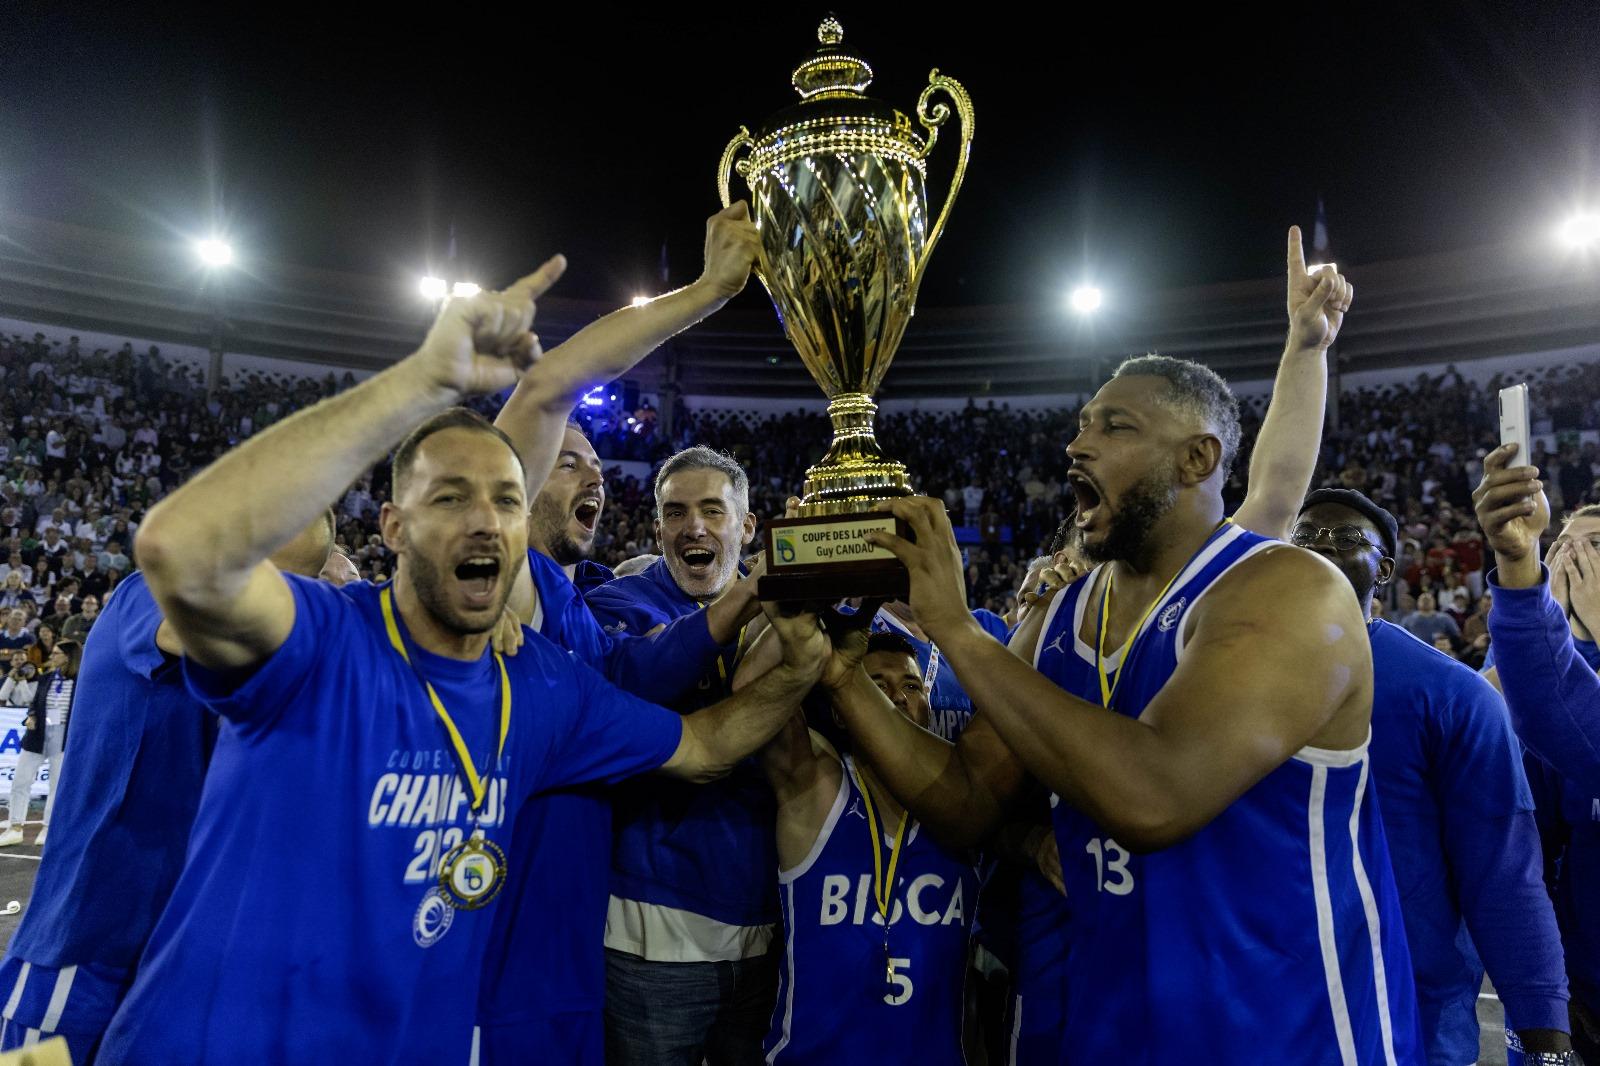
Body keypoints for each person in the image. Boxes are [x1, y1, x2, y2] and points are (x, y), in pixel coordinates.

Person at [96, 262, 827, 1064]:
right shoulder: (323, 640)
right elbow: (183, 552)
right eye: (449, 498)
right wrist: (422, 379)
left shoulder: (546, 686)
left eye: (508, 502)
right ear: (392, 527)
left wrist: (796, 671)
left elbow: (705, 748)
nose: (486, 521)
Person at [830, 348, 1424, 1060]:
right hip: (1112, 1029)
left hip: (1283, 1032)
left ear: (1197, 459)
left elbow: (1153, 798)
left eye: (1115, 426)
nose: (1077, 443)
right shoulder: (1056, 619)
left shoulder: (1291, 589)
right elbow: (963, 800)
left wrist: (956, 628)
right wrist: (838, 679)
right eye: (1082, 424)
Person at [476, 205, 764, 1066]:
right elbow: (544, 390)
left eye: (601, 470)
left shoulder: (578, 608)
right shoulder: (511, 581)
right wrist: (710, 291)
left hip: (573, 956)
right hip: (507, 950)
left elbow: (654, 701)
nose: (593, 477)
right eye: (569, 463)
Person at [0, 513, 336, 1061]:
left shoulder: (286, 674)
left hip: (180, 968)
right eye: (266, 575)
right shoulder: (153, 594)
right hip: (78, 955)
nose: (278, 599)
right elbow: (219, 631)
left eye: (297, 584)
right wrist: (349, 611)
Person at [1291, 488, 1575, 1063]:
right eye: (1304, 536)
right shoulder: (1226, 681)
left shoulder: (1452, 693)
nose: (1320, 546)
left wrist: (1546, 1033)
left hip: (1409, 1014)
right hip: (1271, 1000)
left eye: (1346, 538)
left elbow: (1504, 873)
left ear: (1386, 569)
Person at [586, 445, 782, 1066]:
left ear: (746, 526)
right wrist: (748, 598)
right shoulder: (618, 605)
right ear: (658, 529)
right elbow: (638, 679)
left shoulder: (783, 606)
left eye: (711, 511)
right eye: (674, 513)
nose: (692, 527)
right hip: (651, 940)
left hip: (768, 933)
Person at [753, 631, 977, 1065]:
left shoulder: (968, 804)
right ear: (842, 712)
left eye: (912, 687)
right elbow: (753, 687)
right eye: (877, 687)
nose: (898, 698)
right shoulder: (816, 785)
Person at [1474, 446, 1600, 1062]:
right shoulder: (1513, 670)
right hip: (1573, 976)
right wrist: (1543, 991)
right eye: (1565, 547)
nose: (1576, 559)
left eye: (1595, 546)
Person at [0, 640, 80, 848]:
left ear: (68, 657)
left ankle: (47, 828)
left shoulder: (81, 682)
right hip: (38, 736)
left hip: (63, 739)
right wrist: (32, 715)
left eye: (56, 653)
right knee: (20, 782)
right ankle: (15, 828)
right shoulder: (45, 678)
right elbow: (34, 704)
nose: (52, 656)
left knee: (56, 786)